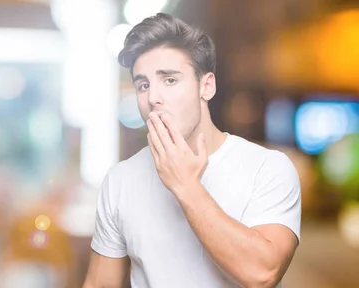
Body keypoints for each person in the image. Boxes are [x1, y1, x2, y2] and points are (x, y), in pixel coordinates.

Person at [83, 13, 301, 288]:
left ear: (206, 86)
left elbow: (262, 273)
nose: (153, 98)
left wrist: (185, 186)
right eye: (143, 85)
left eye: (170, 80)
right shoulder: (120, 180)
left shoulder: (268, 168)